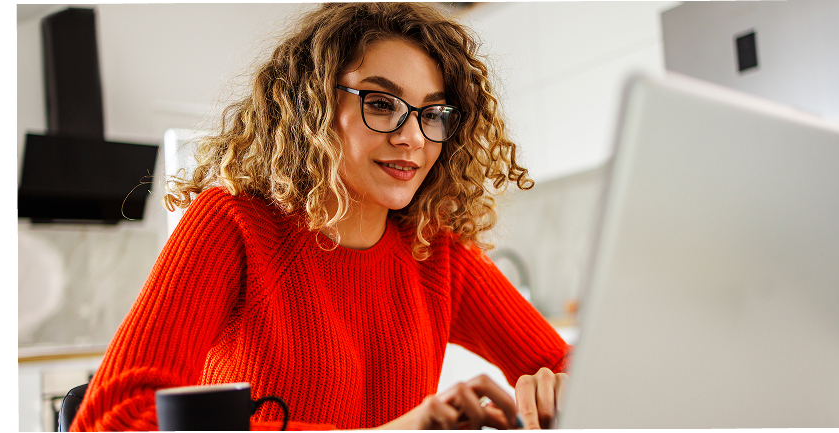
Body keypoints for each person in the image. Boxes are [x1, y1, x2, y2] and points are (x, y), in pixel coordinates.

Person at [71, 3, 571, 431]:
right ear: (311, 107)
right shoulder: (233, 224)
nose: (413, 138)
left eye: (433, 113)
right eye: (381, 103)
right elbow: (111, 418)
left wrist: (559, 388)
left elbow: (571, 365)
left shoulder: (436, 251)